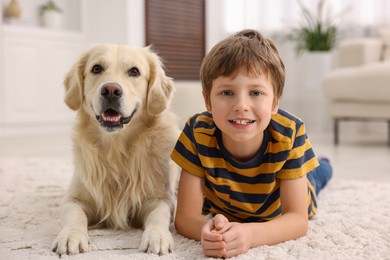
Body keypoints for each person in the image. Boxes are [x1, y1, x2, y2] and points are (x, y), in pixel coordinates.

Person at [171, 29, 332, 258]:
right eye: (227, 92)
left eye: (256, 92)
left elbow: (297, 220)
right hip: (226, 208)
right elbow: (185, 218)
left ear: (275, 102)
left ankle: (324, 163)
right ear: (207, 100)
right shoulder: (197, 132)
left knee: (318, 177)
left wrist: (249, 235)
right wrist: (206, 231)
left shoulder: (290, 132)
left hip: (280, 199)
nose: (241, 105)